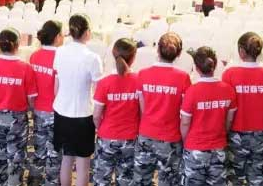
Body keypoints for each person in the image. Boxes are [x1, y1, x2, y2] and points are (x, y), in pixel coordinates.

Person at [134, 32, 191, 186]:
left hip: (146, 135)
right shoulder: (183, 77)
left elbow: (142, 108)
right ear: (179, 54)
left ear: (157, 50)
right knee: (169, 182)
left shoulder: (143, 74)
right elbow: (184, 112)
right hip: (170, 138)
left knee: (141, 181)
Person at [0, 28, 37, 186]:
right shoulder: (26, 68)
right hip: (17, 119)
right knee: (16, 156)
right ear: (18, 45)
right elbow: (31, 98)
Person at [53, 14, 103, 186]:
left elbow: (57, 83)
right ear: (87, 32)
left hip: (61, 111)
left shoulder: (59, 52)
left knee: (66, 160)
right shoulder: (93, 58)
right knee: (83, 165)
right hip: (83, 115)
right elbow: (98, 91)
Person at [221, 32, 263, 186]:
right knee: (258, 177)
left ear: (241, 51)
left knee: (235, 177)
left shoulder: (229, 74)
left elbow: (226, 108)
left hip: (237, 135)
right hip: (262, 134)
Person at [180, 46, 237, 186]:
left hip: (195, 149)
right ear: (215, 65)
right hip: (219, 148)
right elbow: (229, 120)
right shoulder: (228, 89)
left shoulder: (191, 91)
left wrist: (186, 142)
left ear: (196, 68)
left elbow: (185, 123)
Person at [92, 38, 139, 186]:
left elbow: (96, 115)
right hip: (130, 138)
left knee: (101, 180)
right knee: (126, 180)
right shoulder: (139, 81)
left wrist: (100, 129)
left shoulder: (104, 82)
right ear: (133, 58)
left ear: (113, 54)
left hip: (107, 137)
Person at [28, 21, 64, 186]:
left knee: (39, 145)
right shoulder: (61, 57)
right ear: (57, 37)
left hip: (38, 108)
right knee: (55, 149)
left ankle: (35, 177)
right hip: (56, 110)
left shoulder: (35, 55)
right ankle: (52, 181)